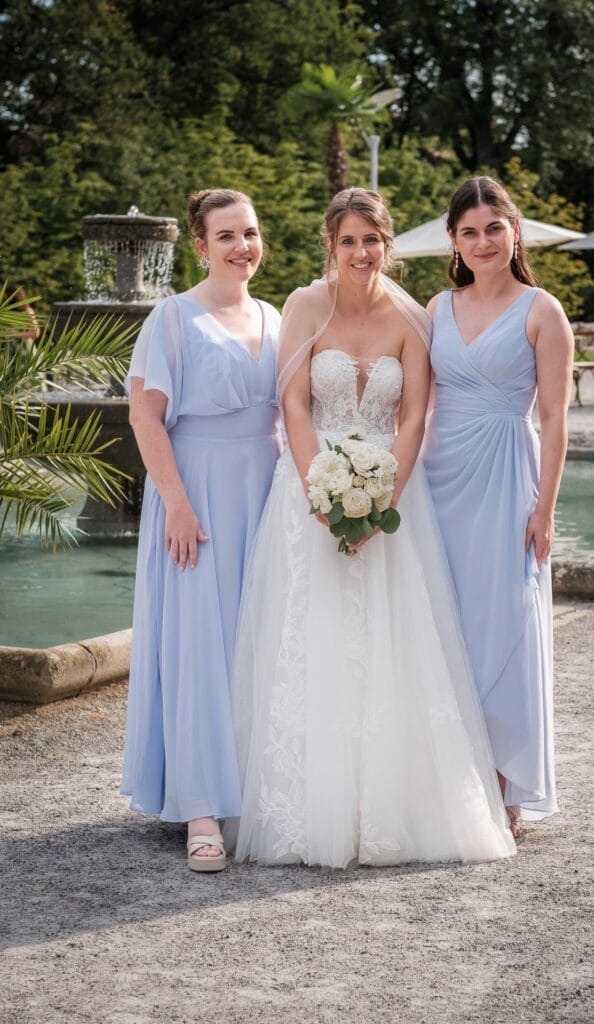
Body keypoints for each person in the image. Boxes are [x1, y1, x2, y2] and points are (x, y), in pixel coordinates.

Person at [228, 188, 516, 868]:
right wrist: (322, 496)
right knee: (312, 639)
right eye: (348, 241)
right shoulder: (303, 305)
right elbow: (293, 407)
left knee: (391, 643)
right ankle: (304, 808)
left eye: (372, 241)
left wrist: (377, 494)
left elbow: (414, 416)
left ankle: (393, 809)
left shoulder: (412, 317)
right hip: (308, 493)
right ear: (330, 244)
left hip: (393, 498)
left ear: (387, 245)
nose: (361, 253)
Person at [120, 188, 281, 871]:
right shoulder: (171, 317)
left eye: (249, 232)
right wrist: (178, 504)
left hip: (266, 495)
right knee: (198, 646)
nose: (241, 246)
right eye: (226, 236)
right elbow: (145, 417)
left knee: (258, 640)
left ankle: (255, 788)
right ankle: (200, 808)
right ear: (200, 245)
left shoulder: (277, 316)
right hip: (197, 496)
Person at [423, 176, 574, 838]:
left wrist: (544, 507)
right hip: (438, 478)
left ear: (513, 231)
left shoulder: (542, 309)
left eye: (492, 227)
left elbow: (555, 415)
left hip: (507, 475)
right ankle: (454, 777)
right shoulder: (434, 307)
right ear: (452, 241)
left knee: (505, 622)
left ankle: (508, 786)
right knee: (447, 625)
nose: (482, 241)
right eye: (467, 231)